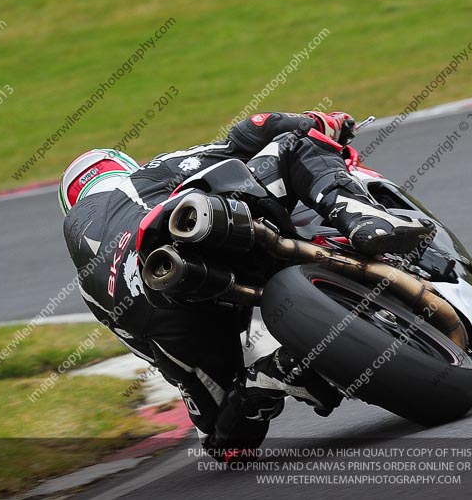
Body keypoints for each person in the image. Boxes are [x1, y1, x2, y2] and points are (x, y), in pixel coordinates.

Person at [59, 110, 434, 460]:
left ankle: (265, 382)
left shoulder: (87, 285)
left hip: (164, 310)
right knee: (294, 143)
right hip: (203, 230)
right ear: (123, 168)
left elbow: (148, 349)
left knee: (227, 445)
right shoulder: (147, 175)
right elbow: (255, 128)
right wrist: (320, 119)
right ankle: (364, 220)